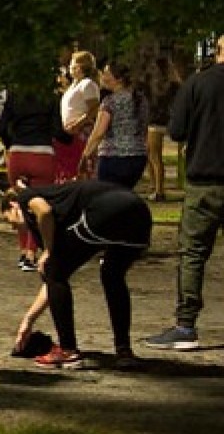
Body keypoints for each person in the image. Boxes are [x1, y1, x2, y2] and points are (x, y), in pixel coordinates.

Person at [6, 182, 151, 369]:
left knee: (54, 270)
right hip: (139, 213)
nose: (12, 227)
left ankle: (67, 350)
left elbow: (44, 211)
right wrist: (29, 320)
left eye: (8, 219)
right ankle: (124, 351)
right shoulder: (58, 204)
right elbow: (53, 281)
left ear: (12, 205)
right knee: (112, 274)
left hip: (105, 210)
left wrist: (49, 251)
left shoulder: (25, 197)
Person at [145, 35, 224, 352]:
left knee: (193, 254)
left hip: (205, 180)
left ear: (218, 51)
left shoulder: (198, 84)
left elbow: (177, 131)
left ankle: (186, 324)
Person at [0, 85, 63, 271]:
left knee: (18, 202)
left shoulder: (15, 95)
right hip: (42, 154)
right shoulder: (51, 96)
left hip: (18, 154)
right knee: (37, 205)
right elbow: (58, 130)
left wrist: (12, 143)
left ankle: (23, 251)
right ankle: (32, 253)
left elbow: (1, 127)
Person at [80, 60, 149, 189]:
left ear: (118, 79)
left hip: (113, 158)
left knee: (108, 198)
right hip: (138, 156)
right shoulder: (141, 99)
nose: (102, 76)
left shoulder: (110, 102)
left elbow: (98, 132)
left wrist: (85, 155)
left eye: (106, 73)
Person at [56, 50, 100, 181]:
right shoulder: (74, 85)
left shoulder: (87, 84)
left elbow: (94, 108)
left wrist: (78, 123)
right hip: (69, 131)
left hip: (81, 130)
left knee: (84, 163)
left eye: (71, 64)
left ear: (79, 67)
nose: (69, 67)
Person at [144, 56, 182, 202]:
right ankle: (155, 187)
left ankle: (159, 189)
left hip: (155, 121)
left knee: (154, 156)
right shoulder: (174, 85)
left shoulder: (156, 85)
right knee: (153, 156)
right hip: (164, 120)